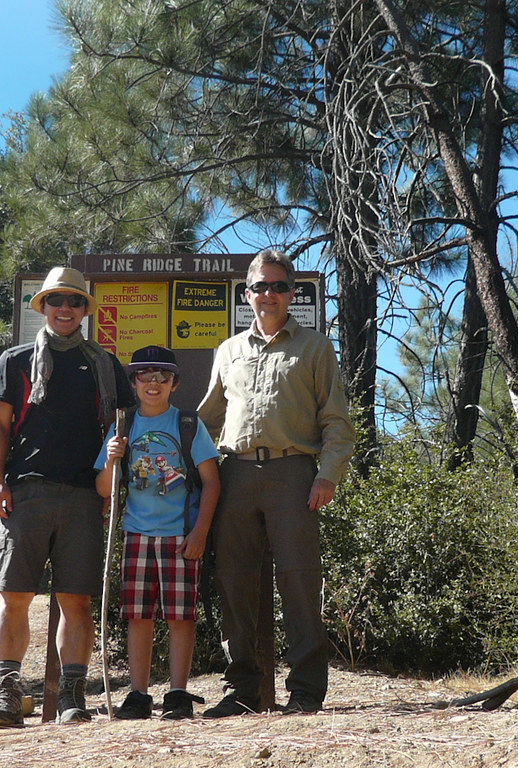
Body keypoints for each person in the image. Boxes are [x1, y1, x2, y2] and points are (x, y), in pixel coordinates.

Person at [198, 249, 355, 717]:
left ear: (291, 293)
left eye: (278, 286)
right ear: (247, 294)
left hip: (294, 476)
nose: (269, 294)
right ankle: (242, 689)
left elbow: (336, 421)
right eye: (261, 286)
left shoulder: (315, 347)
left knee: (300, 582)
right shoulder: (228, 351)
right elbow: (207, 420)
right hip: (235, 475)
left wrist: (327, 475)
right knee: (233, 582)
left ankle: (305, 691)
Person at [0, 266, 137, 727]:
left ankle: (72, 696)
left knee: (77, 601)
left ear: (85, 309)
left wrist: (110, 486)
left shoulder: (105, 365)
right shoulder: (14, 360)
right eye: (56, 300)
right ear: (43, 307)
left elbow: (121, 430)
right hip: (25, 493)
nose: (65, 308)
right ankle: (6, 694)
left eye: (74, 301)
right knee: (14, 596)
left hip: (85, 497)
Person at [94, 345, 220, 720]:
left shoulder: (187, 424)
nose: (154, 383)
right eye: (145, 376)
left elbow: (212, 482)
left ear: (174, 383)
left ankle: (178, 693)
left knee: (180, 617)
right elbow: (103, 488)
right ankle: (138, 694)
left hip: (180, 536)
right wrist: (112, 458)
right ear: (133, 382)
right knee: (139, 616)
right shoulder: (123, 427)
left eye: (162, 376)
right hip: (136, 534)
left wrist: (200, 532)